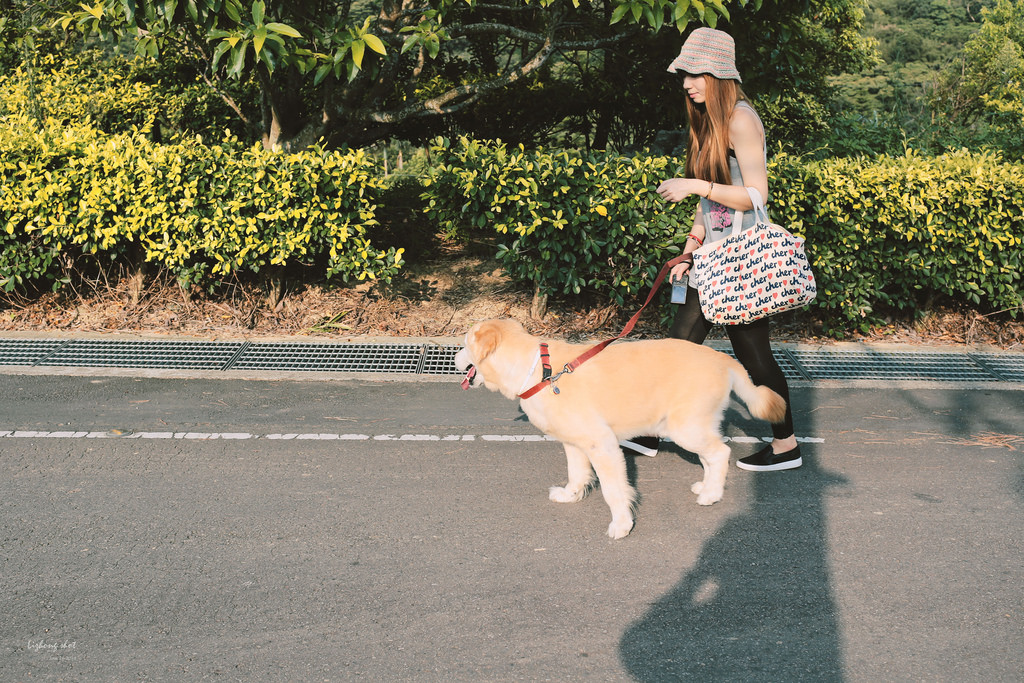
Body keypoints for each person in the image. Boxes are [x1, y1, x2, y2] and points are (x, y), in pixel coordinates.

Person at [623, 27, 801, 471]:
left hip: (740, 262)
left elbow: (756, 195)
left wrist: (696, 184)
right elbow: (709, 205)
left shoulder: (742, 119)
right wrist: (691, 246)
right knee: (678, 344)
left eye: (695, 73)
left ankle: (786, 446)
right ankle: (648, 430)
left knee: (755, 358)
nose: (686, 82)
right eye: (684, 73)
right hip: (711, 259)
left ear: (718, 74)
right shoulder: (706, 122)